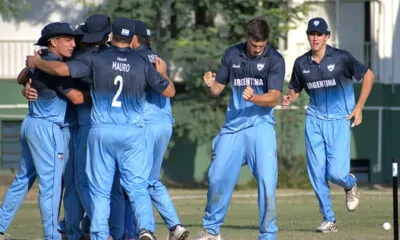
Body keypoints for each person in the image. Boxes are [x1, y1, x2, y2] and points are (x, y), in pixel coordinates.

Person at [26, 17, 175, 240]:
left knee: (100, 189)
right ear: (131, 38)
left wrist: (37, 63)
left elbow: (60, 70)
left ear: (111, 36)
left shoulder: (97, 59)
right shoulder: (142, 63)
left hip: (102, 131)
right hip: (133, 132)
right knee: (136, 187)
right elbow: (169, 92)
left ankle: (99, 233)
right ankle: (145, 229)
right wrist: (162, 74)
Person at [192, 17, 285, 240]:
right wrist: (209, 85)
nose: (258, 50)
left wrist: (255, 97)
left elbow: (273, 99)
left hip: (260, 126)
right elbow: (217, 90)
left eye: (262, 46)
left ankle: (267, 234)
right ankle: (212, 231)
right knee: (215, 177)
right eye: (254, 45)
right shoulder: (231, 54)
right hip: (233, 127)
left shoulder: (275, 59)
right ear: (247, 38)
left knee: (266, 180)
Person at [281, 17, 374, 233]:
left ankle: (349, 183)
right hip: (314, 120)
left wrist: (359, 107)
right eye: (311, 34)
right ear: (308, 36)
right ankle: (328, 219)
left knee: (335, 174)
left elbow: (369, 76)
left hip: (338, 121)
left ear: (327, 36)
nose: (315, 38)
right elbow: (295, 88)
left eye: (319, 34)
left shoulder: (341, 58)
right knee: (316, 173)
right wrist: (290, 97)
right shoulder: (301, 63)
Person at [0, 22, 85, 240]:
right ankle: (52, 235)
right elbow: (76, 97)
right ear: (53, 42)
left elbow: (22, 77)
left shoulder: (42, 60)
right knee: (52, 185)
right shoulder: (53, 65)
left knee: (23, 179)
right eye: (68, 40)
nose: (73, 44)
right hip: (47, 128)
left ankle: (0, 226)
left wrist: (28, 76)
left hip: (31, 124)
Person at [122, 19, 189, 240]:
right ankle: (175, 227)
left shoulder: (133, 59)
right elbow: (169, 87)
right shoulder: (159, 58)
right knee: (151, 180)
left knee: (136, 181)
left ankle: (145, 230)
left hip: (144, 124)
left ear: (133, 38)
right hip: (164, 124)